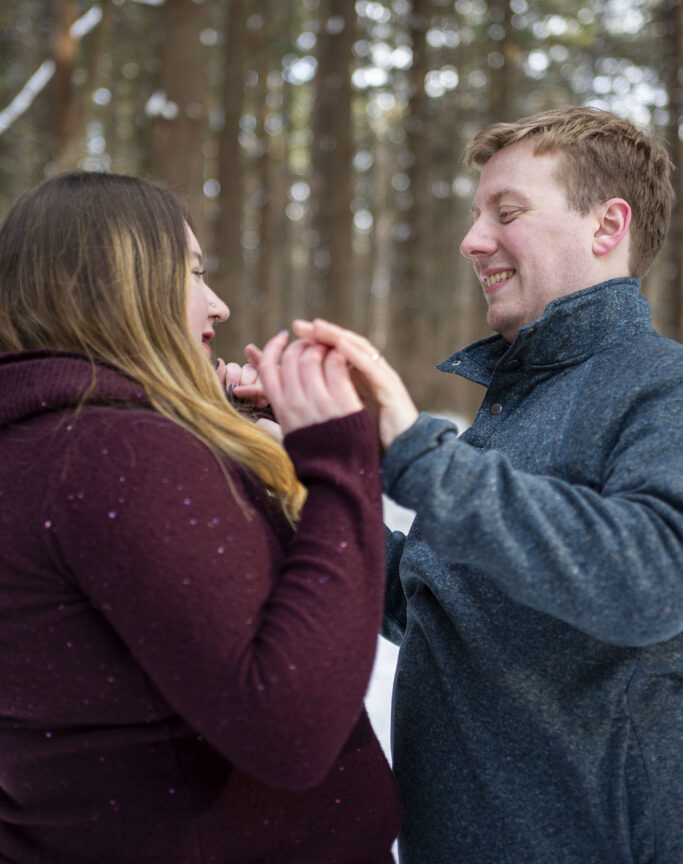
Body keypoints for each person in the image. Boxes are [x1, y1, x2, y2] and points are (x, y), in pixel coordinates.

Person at [286, 107, 683, 864]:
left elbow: (652, 583)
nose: (473, 241)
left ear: (607, 228)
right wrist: (293, 481)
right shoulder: (518, 402)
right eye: (476, 216)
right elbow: (438, 606)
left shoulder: (662, 388)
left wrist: (418, 453)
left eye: (506, 212)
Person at [0, 170, 400, 864]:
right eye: (190, 273)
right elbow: (289, 730)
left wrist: (232, 455)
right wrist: (340, 463)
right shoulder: (113, 451)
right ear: (115, 285)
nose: (216, 304)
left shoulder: (40, 440)